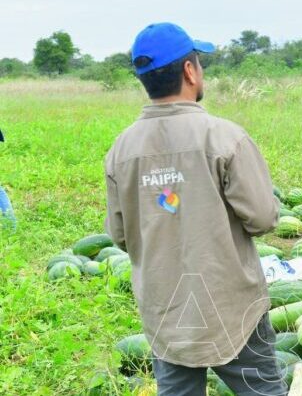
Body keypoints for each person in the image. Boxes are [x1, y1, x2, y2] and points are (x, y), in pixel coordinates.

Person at [105, 22, 284, 396]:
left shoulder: (121, 151)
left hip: (166, 312)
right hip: (232, 310)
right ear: (189, 71)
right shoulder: (225, 137)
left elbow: (120, 236)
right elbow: (263, 218)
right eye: (199, 63)